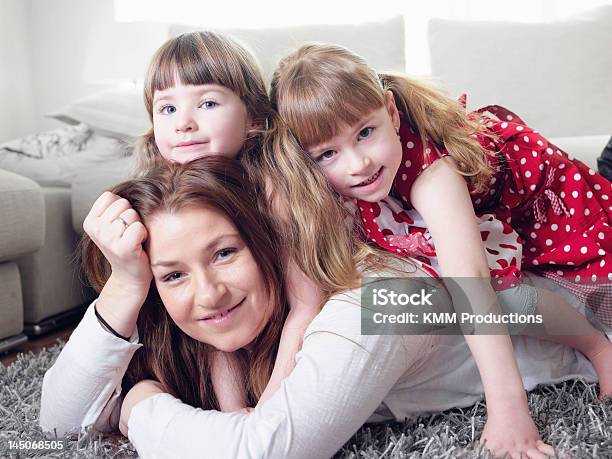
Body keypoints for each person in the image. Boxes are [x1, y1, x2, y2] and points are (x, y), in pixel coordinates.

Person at [39, 158, 600, 459]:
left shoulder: (374, 301)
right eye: (173, 275)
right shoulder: (210, 329)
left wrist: (138, 405)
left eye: (226, 253)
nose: (207, 295)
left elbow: (264, 451)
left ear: (270, 245)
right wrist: (124, 285)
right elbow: (57, 426)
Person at [266, 43, 612, 456]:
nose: (357, 163)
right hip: (491, 213)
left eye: (365, 132)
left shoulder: (433, 172)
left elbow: (470, 281)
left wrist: (508, 408)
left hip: (552, 208)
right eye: (328, 153)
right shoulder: (316, 179)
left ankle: (597, 346)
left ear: (391, 113)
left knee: (506, 297)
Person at [84, 30, 323, 413]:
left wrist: (271, 410)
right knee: (208, 308)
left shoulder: (275, 188)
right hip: (226, 332)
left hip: (292, 325)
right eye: (167, 109)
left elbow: (307, 304)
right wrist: (231, 417)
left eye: (207, 102)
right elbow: (205, 333)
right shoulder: (165, 196)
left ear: (254, 118)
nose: (184, 123)